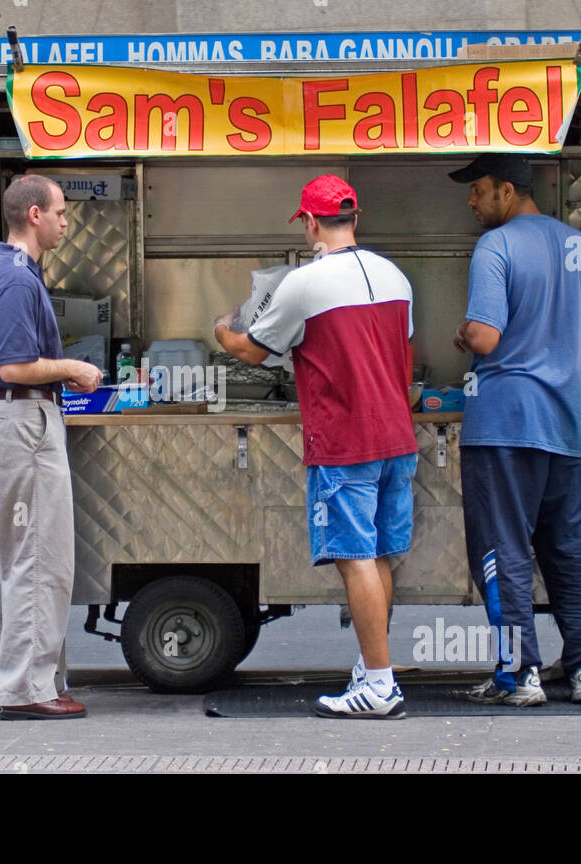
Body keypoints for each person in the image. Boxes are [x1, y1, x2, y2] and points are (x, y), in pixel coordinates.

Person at [215, 175, 416, 719]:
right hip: (398, 437)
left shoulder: (303, 284)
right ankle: (374, 667)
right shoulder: (395, 276)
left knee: (355, 560)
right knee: (377, 557)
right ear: (355, 218)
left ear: (309, 222)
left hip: (347, 441)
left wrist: (222, 328)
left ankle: (378, 685)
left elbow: (252, 352)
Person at [448, 154, 581, 705]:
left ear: (507, 191)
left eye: (477, 190)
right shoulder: (578, 245)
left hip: (504, 423)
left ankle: (520, 674)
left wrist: (464, 334)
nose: (471, 202)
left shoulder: (495, 247)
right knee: (573, 551)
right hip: (566, 425)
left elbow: (487, 338)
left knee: (504, 550)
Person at [0, 174, 102, 720]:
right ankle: (28, 689)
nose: (66, 221)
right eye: (60, 212)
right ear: (33, 215)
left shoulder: (0, 271)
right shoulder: (20, 281)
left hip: (5, 419)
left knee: (9, 556)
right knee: (38, 557)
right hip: (24, 417)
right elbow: (15, 365)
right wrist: (73, 368)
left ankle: (5, 681)